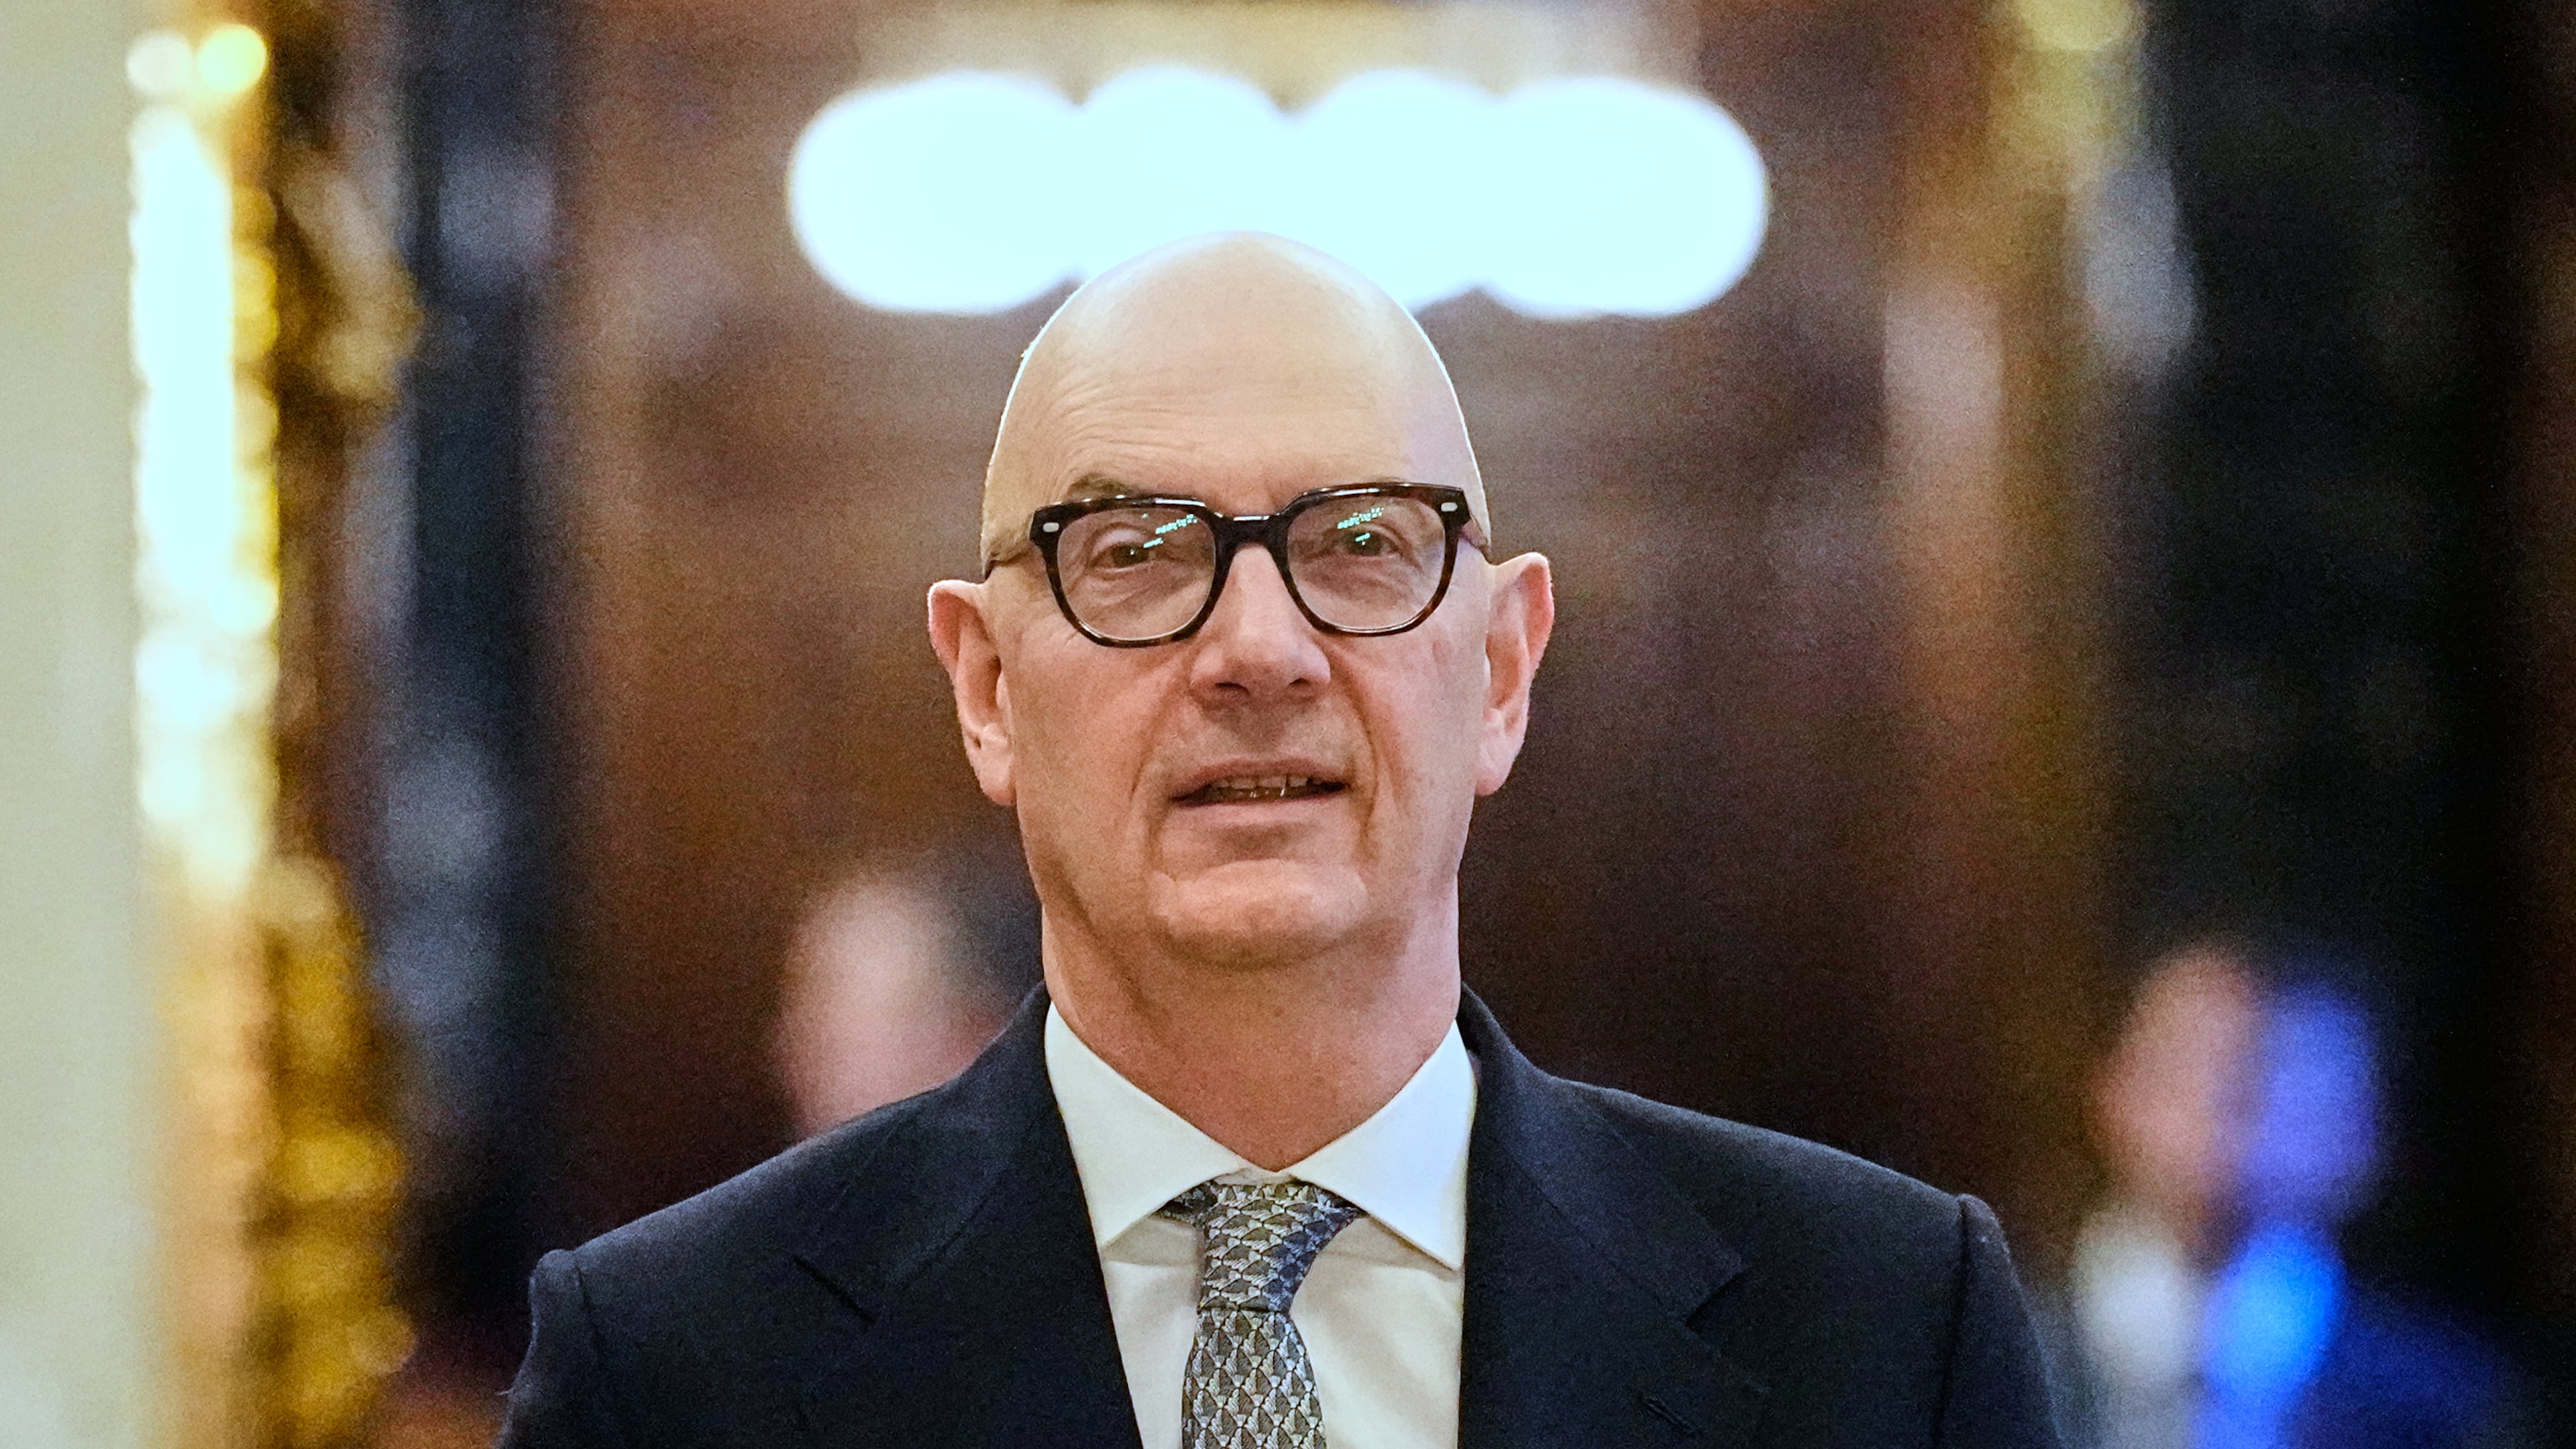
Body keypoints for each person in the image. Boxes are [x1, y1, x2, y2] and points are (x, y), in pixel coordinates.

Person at [496, 233, 2063, 1448]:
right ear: (984, 689)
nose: (1260, 650)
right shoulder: (677, 1367)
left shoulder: (1875, 1330)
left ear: (1505, 670)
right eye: (1134, 554)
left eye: (1363, 545)